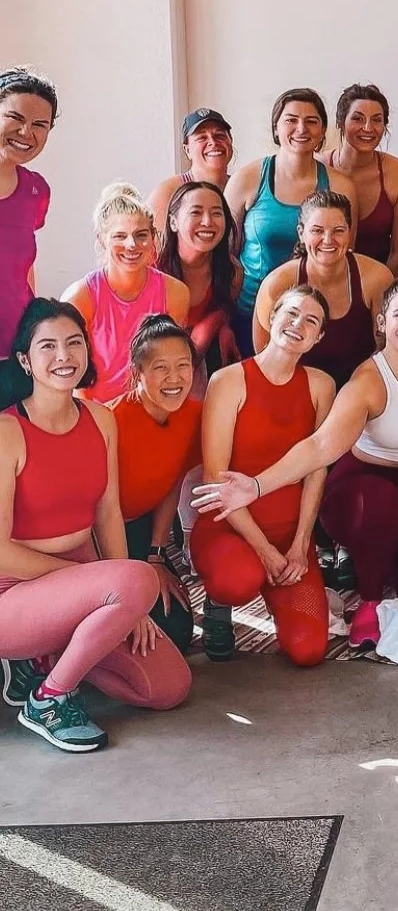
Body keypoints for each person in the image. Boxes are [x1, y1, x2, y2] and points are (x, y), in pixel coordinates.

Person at [193, 280, 398, 649]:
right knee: (378, 506)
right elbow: (320, 447)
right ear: (382, 322)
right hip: (367, 488)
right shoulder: (365, 382)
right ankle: (366, 597)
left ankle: (391, 555)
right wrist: (255, 487)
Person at [0, 299, 191, 753]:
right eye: (48, 346)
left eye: (73, 343)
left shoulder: (100, 420)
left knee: (167, 687)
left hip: (83, 585)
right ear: (26, 359)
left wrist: (130, 605)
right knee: (137, 579)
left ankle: (47, 658)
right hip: (12, 592)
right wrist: (109, 586)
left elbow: (107, 514)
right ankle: (48, 699)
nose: (64, 356)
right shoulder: (7, 433)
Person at [191, 286, 335, 666]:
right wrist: (265, 550)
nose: (297, 325)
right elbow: (215, 478)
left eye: (311, 321)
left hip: (291, 536)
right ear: (271, 317)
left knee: (308, 650)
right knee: (237, 580)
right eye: (291, 313)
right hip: (229, 528)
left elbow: (316, 470)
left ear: (318, 337)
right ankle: (218, 605)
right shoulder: (229, 381)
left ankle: (277, 592)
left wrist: (301, 544)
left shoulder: (322, 386)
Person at [226, 88, 356, 353]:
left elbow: (348, 253)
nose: (301, 128)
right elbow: (224, 255)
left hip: (315, 318)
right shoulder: (247, 179)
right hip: (252, 313)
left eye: (311, 121)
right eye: (291, 120)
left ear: (322, 131)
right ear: (276, 128)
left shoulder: (340, 185)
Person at [112, 315, 201, 652]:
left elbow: (171, 484)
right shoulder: (113, 420)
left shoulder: (192, 415)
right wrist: (124, 579)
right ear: (138, 373)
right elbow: (96, 511)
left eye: (183, 365)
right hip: (97, 540)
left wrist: (155, 557)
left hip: (143, 529)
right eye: (161, 368)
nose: (174, 378)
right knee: (131, 628)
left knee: (176, 630)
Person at [63, 184, 189, 403]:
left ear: (153, 238)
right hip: (96, 413)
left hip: (153, 409)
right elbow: (73, 376)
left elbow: (169, 363)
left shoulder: (175, 293)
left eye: (141, 235)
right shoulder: (79, 298)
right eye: (119, 236)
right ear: (102, 240)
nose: (131, 245)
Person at [253, 191, 391, 390]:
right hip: (296, 391)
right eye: (317, 230)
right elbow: (265, 359)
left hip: (359, 391)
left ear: (350, 232)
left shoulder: (377, 278)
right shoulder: (277, 285)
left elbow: (384, 349)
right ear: (301, 233)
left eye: (338, 231)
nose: (328, 240)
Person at [321, 83, 398, 275]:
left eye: (376, 120)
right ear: (341, 122)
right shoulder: (319, 167)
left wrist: (377, 292)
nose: (368, 128)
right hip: (326, 281)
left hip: (382, 281)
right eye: (358, 118)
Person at [156, 180, 240, 385]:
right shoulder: (154, 267)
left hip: (201, 366)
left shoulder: (232, 271)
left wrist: (217, 326)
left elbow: (222, 315)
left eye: (216, 213)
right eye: (196, 212)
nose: (207, 222)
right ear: (173, 222)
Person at [0, 67, 56, 363]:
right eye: (15, 118)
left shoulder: (36, 190)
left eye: (39, 124)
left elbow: (23, 266)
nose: (26, 133)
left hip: (17, 353)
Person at [147, 108, 234, 232]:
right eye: (202, 138)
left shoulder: (243, 187)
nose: (213, 143)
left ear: (231, 141)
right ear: (187, 150)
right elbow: (154, 247)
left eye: (219, 135)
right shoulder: (167, 193)